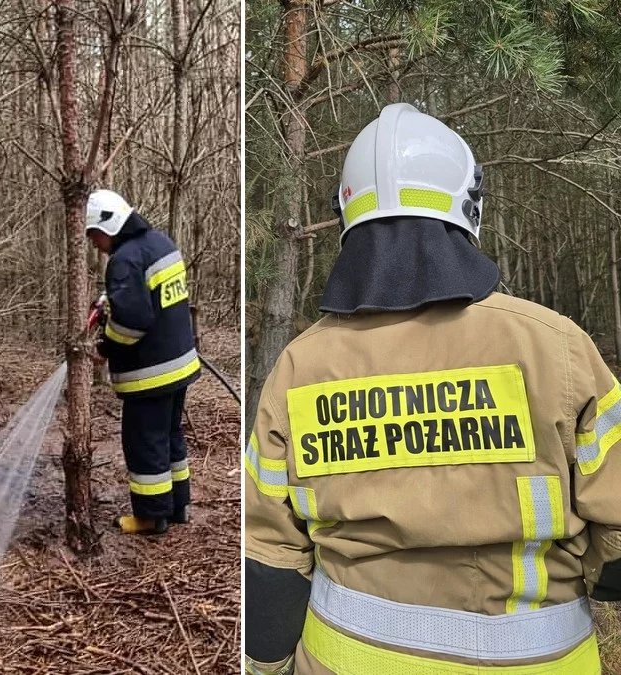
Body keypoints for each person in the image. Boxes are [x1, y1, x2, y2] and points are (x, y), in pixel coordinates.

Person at [244, 103, 621, 673]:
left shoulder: (302, 364)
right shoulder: (556, 346)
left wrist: (270, 662)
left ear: (347, 213)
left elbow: (267, 557)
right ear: (468, 206)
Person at [85, 190, 200, 535]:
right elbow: (151, 296)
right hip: (178, 365)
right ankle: (178, 506)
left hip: (149, 374)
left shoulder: (124, 261)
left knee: (145, 444)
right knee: (170, 437)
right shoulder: (160, 244)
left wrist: (105, 347)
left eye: (95, 236)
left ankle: (150, 517)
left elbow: (132, 324)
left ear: (111, 225)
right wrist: (112, 299)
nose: (95, 245)